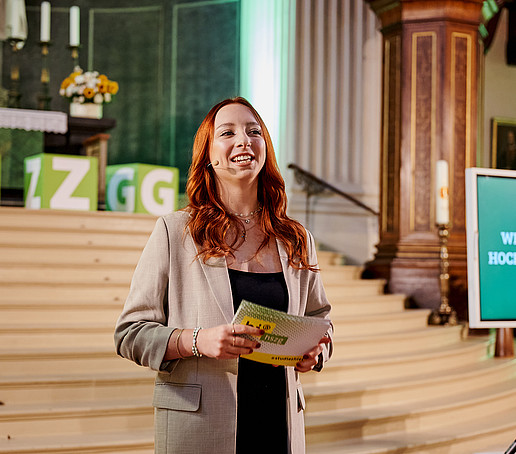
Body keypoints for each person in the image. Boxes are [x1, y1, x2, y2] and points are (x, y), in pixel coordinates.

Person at [114, 97, 333, 454]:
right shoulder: (175, 232)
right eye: (227, 132)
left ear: (265, 149)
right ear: (209, 155)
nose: (244, 140)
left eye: (254, 131)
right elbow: (130, 333)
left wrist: (316, 353)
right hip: (201, 428)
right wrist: (197, 341)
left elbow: (320, 319)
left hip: (279, 423)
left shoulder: (296, 238)